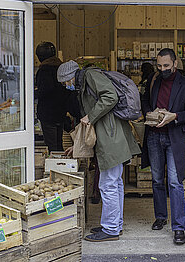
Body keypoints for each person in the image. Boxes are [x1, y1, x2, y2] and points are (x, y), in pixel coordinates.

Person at [57, 60, 141, 242]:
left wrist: (91, 115)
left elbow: (110, 96)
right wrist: (78, 145)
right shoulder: (84, 82)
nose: (65, 86)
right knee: (115, 183)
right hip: (112, 136)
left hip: (112, 137)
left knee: (108, 184)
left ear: (70, 77)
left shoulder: (90, 76)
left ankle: (110, 229)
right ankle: (114, 225)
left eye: (65, 82)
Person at [141, 48, 185, 245]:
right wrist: (151, 112)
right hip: (154, 136)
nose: (162, 69)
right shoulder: (154, 80)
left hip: (174, 138)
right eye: (159, 65)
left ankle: (179, 227)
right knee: (157, 179)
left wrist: (175, 116)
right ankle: (161, 216)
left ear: (174, 63)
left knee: (174, 182)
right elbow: (145, 101)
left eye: (166, 65)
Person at [35, 42, 79, 152]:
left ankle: (56, 166)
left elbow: (44, 92)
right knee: (58, 144)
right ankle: (61, 164)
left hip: (48, 115)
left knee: (52, 147)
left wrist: (30, 94)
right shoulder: (61, 68)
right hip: (60, 113)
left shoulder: (44, 70)